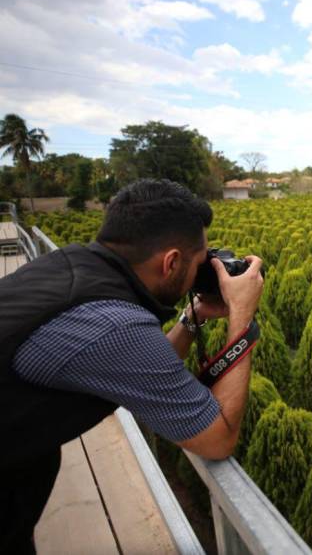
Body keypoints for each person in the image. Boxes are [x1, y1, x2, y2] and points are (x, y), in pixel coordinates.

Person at [0, 179, 264, 553]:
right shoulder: (114, 325)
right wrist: (242, 318)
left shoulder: (72, 266)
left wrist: (193, 317)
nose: (205, 270)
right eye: (201, 261)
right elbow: (217, 439)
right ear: (171, 261)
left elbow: (146, 369)